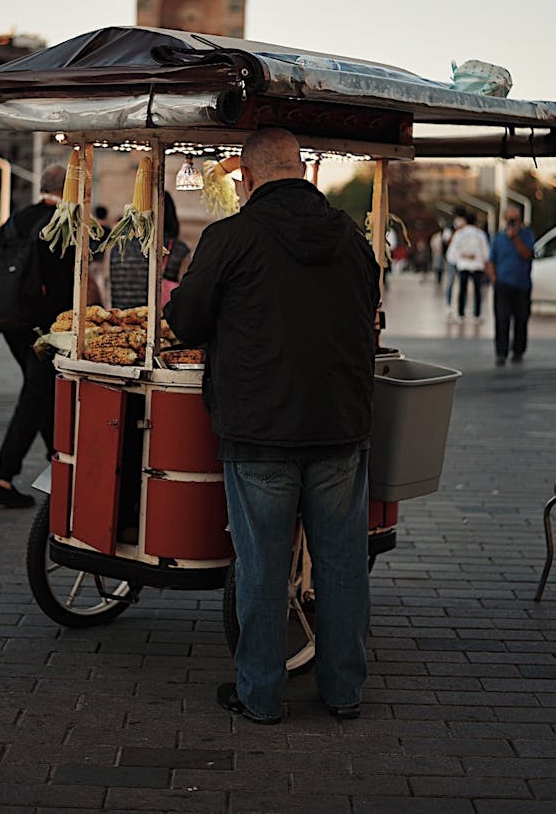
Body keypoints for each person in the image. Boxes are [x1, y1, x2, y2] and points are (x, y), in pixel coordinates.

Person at [165, 127, 380, 724]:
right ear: (305, 172)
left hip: (259, 429)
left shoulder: (230, 237)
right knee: (339, 564)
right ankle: (343, 691)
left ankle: (259, 695)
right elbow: (371, 309)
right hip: (340, 426)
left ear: (247, 177)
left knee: (261, 565)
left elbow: (184, 321)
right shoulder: (350, 238)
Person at [0, 165, 75, 508]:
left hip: (11, 323)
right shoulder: (62, 223)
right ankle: (2, 477)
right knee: (36, 395)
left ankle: (61, 461)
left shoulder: (16, 220)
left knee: (42, 391)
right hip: (45, 328)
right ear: (68, 189)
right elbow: (67, 282)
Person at [109, 192, 189, 309]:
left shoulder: (118, 244)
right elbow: (187, 291)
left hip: (121, 320)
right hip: (159, 323)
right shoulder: (178, 248)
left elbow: (106, 285)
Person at [488, 205, 535, 365]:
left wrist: (515, 238)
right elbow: (491, 261)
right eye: (510, 219)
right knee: (502, 319)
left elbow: (527, 255)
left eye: (515, 219)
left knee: (521, 319)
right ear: (504, 220)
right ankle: (501, 352)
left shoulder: (527, 235)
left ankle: (518, 351)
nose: (512, 222)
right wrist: (494, 278)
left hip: (522, 285)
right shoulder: (498, 238)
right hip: (503, 285)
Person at [446, 211, 489, 321]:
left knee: (462, 290)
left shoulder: (459, 234)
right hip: (477, 265)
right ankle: (477, 314)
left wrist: (461, 258)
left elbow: (452, 252)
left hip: (463, 265)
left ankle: (461, 313)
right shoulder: (480, 234)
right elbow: (485, 251)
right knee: (477, 291)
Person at [443, 207, 466, 312]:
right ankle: (448, 305)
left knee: (463, 284)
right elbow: (447, 241)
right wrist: (456, 232)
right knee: (450, 282)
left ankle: (461, 308)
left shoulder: (468, 229)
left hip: (464, 259)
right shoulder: (450, 227)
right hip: (452, 259)